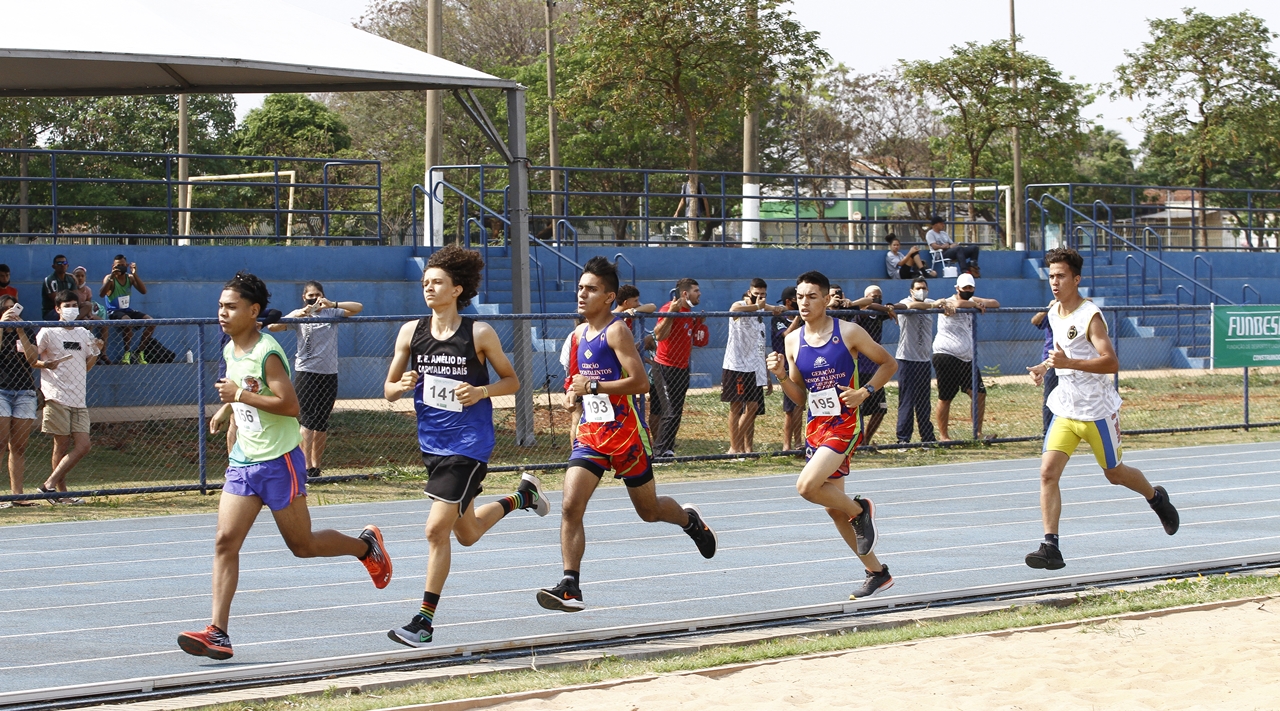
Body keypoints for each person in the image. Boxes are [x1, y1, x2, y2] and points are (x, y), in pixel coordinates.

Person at [177, 272, 392, 661]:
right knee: (225, 542)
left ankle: (365, 547)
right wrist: (229, 408)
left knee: (302, 545)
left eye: (231, 307)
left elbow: (291, 406)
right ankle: (218, 633)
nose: (222, 313)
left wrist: (238, 394)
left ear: (253, 311)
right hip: (244, 461)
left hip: (279, 462)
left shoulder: (268, 350)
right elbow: (245, 388)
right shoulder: (231, 350)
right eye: (220, 306)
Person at [383, 245, 548, 647]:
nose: (428, 287)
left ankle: (423, 621)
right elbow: (388, 390)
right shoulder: (411, 331)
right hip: (433, 445)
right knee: (468, 532)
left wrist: (481, 391)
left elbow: (511, 382)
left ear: (457, 289)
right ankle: (521, 497)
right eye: (425, 282)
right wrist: (400, 385)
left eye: (437, 282)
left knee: (435, 530)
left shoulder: (478, 333)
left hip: (469, 444)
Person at [538, 257, 717, 612]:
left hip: (626, 435)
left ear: (608, 297)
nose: (582, 294)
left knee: (648, 511)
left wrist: (593, 385)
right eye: (580, 288)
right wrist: (575, 398)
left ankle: (688, 519)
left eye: (591, 289)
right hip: (591, 435)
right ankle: (570, 585)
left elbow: (640, 382)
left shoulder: (616, 331)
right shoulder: (576, 336)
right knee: (571, 505)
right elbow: (576, 384)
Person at [1025, 248, 1179, 570]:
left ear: (1076, 279)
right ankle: (1050, 546)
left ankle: (1155, 497)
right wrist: (1044, 367)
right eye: (1051, 276)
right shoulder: (1054, 312)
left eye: (1061, 276)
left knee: (1115, 474)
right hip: (1066, 406)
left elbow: (1111, 362)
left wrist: (1070, 362)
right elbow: (1060, 353)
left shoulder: (1090, 315)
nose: (1054, 282)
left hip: (1096, 409)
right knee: (1047, 473)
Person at [765, 270, 898, 599]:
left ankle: (860, 510)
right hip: (816, 425)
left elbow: (888, 364)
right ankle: (876, 572)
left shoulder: (849, 332)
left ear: (826, 299)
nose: (804, 303)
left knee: (807, 487)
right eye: (799, 297)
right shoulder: (792, 339)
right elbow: (800, 396)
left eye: (812, 296)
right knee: (833, 509)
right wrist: (782, 376)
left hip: (845, 422)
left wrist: (864, 392)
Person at [268, 282, 363, 478]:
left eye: (317, 295)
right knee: (308, 419)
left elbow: (357, 308)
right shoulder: (299, 314)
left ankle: (315, 467)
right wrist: (297, 315)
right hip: (306, 372)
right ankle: (303, 466)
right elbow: (273, 327)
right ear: (304, 297)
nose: (314, 298)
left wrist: (333, 304)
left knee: (321, 421)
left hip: (329, 372)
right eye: (310, 295)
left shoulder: (330, 313)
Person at [35, 290, 102, 504]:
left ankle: (48, 486)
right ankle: (61, 494)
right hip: (56, 395)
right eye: (67, 306)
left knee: (84, 445)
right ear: (57, 309)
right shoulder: (48, 331)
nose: (72, 309)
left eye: (75, 305)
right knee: (61, 445)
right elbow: (30, 357)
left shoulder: (83, 333)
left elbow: (87, 366)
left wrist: (98, 351)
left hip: (78, 398)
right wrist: (45, 364)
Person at [932, 273, 999, 441]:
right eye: (965, 288)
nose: (967, 291)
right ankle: (944, 436)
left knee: (979, 393)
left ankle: (977, 433)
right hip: (947, 355)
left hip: (967, 358)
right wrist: (975, 303)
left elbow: (995, 303)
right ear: (957, 288)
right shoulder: (949, 302)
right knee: (945, 397)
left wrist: (979, 302)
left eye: (970, 288)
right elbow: (958, 303)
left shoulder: (972, 300)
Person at [723, 279, 782, 454]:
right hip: (737, 365)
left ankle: (741, 446)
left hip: (754, 368)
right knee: (736, 407)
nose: (760, 297)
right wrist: (757, 306)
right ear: (749, 292)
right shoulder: (741, 305)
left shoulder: (760, 317)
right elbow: (734, 311)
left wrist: (777, 309)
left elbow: (760, 346)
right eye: (756, 294)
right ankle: (734, 448)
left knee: (753, 407)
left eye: (763, 294)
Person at [894, 278, 951, 444]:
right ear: (911, 291)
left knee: (923, 402)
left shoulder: (931, 302)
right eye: (918, 288)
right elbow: (911, 307)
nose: (921, 291)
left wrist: (947, 305)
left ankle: (927, 438)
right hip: (906, 359)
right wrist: (935, 306)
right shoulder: (906, 302)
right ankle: (903, 439)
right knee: (907, 401)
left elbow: (947, 304)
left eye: (924, 288)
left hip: (924, 360)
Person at [651, 278, 701, 457]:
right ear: (685, 293)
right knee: (669, 411)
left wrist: (700, 323)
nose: (699, 293)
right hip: (665, 367)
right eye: (696, 290)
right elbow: (659, 335)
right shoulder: (669, 308)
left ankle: (668, 449)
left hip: (682, 368)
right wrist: (671, 313)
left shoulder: (690, 313)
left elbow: (699, 341)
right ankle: (658, 451)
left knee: (677, 412)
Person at [0, 296, 41, 507]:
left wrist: (20, 330)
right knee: (0, 443)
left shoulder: (26, 331)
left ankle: (17, 495)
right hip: (1, 392)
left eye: (14, 309)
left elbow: (33, 360)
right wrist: (2, 326)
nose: (11, 312)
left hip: (24, 392)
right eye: (7, 309)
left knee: (19, 447)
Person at [851, 285, 896, 445]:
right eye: (873, 296)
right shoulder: (861, 315)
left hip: (876, 370)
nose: (876, 299)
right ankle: (858, 442)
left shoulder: (879, 315)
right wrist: (880, 306)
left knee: (881, 409)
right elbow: (869, 304)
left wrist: (889, 308)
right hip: (860, 369)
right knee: (859, 409)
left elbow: (896, 307)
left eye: (879, 297)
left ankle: (866, 441)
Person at [99, 254, 154, 362]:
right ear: (113, 266)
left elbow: (143, 291)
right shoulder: (109, 278)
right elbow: (102, 294)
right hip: (114, 311)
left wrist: (135, 274)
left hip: (127, 310)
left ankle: (139, 352)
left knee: (151, 322)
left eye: (123, 265)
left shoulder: (130, 278)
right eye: (119, 265)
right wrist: (111, 277)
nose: (121, 268)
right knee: (128, 321)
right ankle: (127, 353)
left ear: (127, 265)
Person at [771, 286, 804, 452]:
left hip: (801, 365)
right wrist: (798, 318)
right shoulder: (779, 318)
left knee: (799, 406)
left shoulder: (804, 318)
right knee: (789, 410)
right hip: (785, 369)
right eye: (797, 298)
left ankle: (798, 442)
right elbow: (787, 336)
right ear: (789, 301)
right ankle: (787, 445)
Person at [1031, 301, 1059, 435]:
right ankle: (1047, 431)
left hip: (1070, 359)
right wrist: (1047, 308)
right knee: (1050, 396)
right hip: (1050, 360)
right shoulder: (1052, 311)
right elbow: (1035, 321)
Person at [72, 266, 110, 364]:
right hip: (76, 313)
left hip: (86, 312)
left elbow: (89, 304)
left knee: (104, 323)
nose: (80, 278)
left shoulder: (87, 290)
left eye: (82, 276)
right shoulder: (71, 289)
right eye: (77, 276)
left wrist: (89, 315)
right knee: (88, 324)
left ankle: (103, 353)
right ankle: (88, 354)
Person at [41, 255, 76, 321]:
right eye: (59, 263)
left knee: (87, 305)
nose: (62, 265)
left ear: (67, 265)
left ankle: (75, 321)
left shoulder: (70, 279)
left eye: (64, 263)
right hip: (53, 311)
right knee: (69, 311)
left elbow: (75, 297)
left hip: (70, 307)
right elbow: (57, 300)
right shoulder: (49, 280)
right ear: (54, 266)